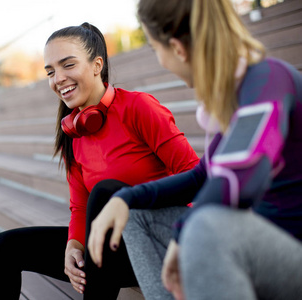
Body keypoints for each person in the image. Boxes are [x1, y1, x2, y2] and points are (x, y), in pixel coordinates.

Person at [88, 0, 302, 299]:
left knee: (205, 225)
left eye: (155, 48)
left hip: (291, 253)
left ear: (177, 48)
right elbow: (200, 178)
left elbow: (239, 178)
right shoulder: (233, 95)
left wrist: (183, 234)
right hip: (257, 245)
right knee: (135, 214)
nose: (160, 60)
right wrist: (125, 197)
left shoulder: (268, 81)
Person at [0, 22, 199, 299]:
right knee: (7, 245)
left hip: (158, 238)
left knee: (106, 192)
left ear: (97, 65)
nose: (58, 78)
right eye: (50, 71)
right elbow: (80, 206)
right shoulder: (73, 130)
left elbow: (193, 173)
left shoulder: (138, 108)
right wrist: (73, 245)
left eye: (67, 65)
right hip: (108, 248)